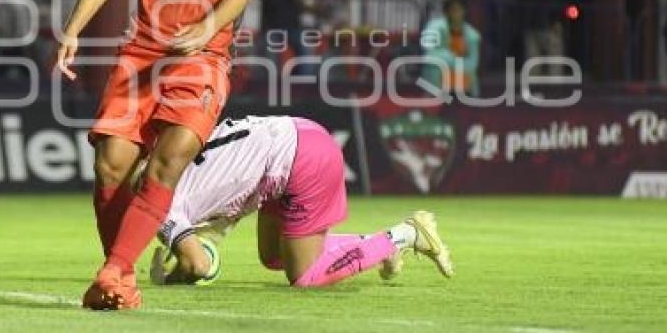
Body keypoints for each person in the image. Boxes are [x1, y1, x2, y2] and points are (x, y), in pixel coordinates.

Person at [56, 0, 265, 310]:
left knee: (165, 165)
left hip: (204, 57)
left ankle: (113, 273)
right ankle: (120, 276)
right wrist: (73, 29)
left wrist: (207, 27)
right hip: (142, 54)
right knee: (109, 166)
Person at [145, 115, 454, 287]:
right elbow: (221, 202)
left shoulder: (152, 203)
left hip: (300, 160)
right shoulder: (168, 154)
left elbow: (197, 264)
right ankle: (374, 248)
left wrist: (167, 279)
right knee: (274, 255)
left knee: (304, 276)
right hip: (295, 134)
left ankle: (405, 234)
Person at [420, 0, 481, 97]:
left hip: (462, 80)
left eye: (459, 10)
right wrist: (454, 59)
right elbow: (429, 54)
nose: (456, 13)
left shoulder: (472, 35)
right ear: (446, 12)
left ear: (464, 11)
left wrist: (450, 61)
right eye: (453, 10)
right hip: (438, 78)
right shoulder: (434, 27)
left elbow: (473, 63)